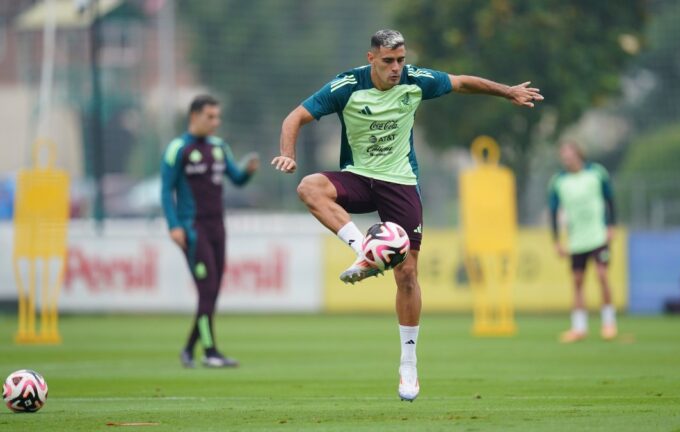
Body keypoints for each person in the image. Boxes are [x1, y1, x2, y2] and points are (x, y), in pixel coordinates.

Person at [271, 29, 543, 401]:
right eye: (388, 61)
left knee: (408, 273)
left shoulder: (416, 80)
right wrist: (288, 153)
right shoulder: (346, 85)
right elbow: (294, 118)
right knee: (309, 187)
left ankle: (408, 363)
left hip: (400, 181)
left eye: (400, 59)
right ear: (371, 59)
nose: (397, 68)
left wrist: (508, 91)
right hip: (358, 177)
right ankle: (365, 249)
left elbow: (462, 83)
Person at [161, 95, 259, 368]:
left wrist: (248, 171)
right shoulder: (177, 149)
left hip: (218, 227)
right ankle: (210, 352)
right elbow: (165, 191)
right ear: (194, 117)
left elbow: (236, 179)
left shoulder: (219, 147)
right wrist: (174, 226)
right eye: (210, 117)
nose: (216, 122)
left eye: (217, 117)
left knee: (212, 290)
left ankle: (188, 349)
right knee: (207, 289)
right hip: (193, 229)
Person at [548, 141, 617, 343]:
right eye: (563, 155)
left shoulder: (596, 173)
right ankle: (579, 327)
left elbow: (610, 199)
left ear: (578, 154)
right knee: (577, 281)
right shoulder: (558, 181)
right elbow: (553, 212)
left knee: (602, 275)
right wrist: (556, 241)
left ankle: (609, 323)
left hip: (598, 235)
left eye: (569, 154)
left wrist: (611, 226)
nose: (566, 158)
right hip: (577, 239)